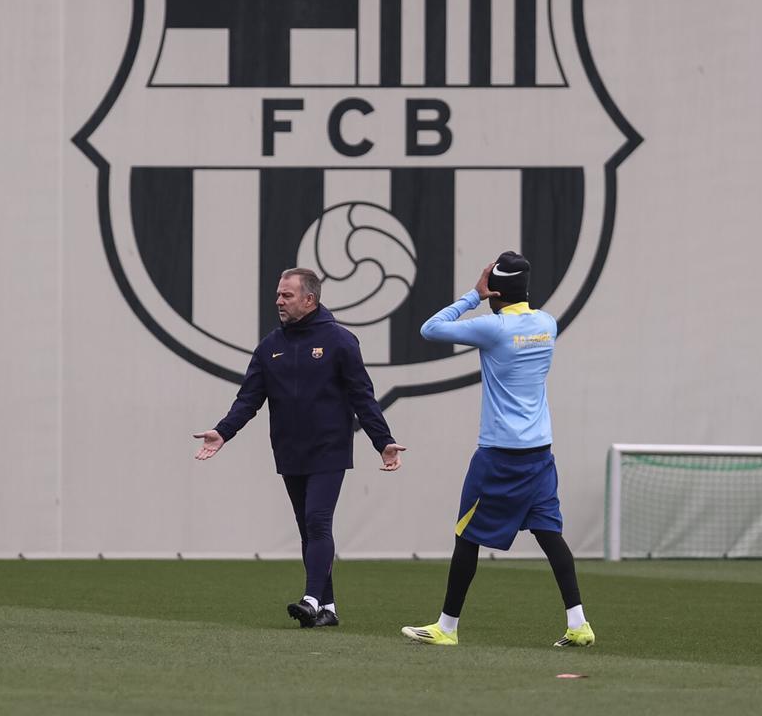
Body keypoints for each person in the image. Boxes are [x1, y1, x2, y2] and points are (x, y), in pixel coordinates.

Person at [401, 251, 594, 648]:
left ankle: (447, 628)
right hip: (540, 453)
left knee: (466, 536)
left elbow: (430, 329)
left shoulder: (493, 328)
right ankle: (579, 624)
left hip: (499, 454)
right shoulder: (547, 324)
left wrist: (473, 295)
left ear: (495, 292)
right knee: (550, 534)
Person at [194, 268, 406, 628]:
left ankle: (310, 599)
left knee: (317, 521)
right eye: (278, 294)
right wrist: (222, 432)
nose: (278, 300)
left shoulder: (340, 341)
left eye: (286, 295)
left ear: (310, 299)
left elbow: (362, 396)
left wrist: (383, 441)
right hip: (289, 451)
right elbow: (248, 400)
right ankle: (329, 609)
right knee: (308, 530)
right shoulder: (270, 346)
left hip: (329, 448)